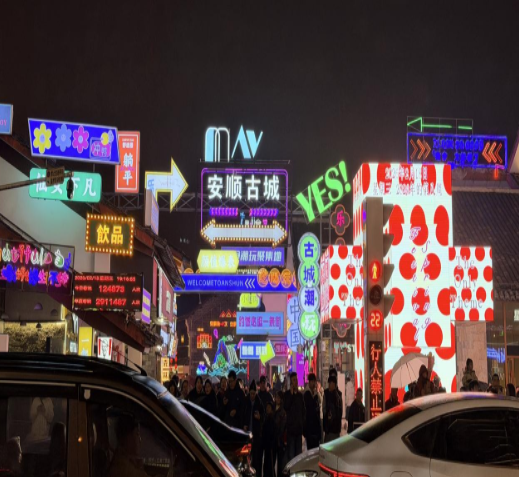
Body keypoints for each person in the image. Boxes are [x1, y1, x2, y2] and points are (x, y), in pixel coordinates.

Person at [243, 380, 264, 477]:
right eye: (251, 393)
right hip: (247, 433)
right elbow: (242, 415)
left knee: (256, 458)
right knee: (246, 457)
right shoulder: (246, 401)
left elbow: (263, 416)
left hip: (256, 434)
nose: (252, 395)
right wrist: (244, 425)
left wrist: (259, 417)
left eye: (253, 394)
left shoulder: (259, 403)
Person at [284, 372, 306, 462]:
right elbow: (286, 407)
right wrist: (291, 394)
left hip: (298, 430)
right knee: (291, 456)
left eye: (296, 380)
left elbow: (303, 410)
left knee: (299, 455)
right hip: (291, 431)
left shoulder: (300, 395)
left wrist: (302, 423)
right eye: (294, 380)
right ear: (291, 382)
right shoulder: (287, 395)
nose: (296, 382)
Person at [303, 373, 321, 449]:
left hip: (315, 427)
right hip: (309, 427)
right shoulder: (306, 394)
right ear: (309, 382)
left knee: (316, 449)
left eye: (315, 381)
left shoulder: (316, 394)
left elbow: (319, 406)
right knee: (310, 450)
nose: (314, 383)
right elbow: (307, 411)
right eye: (313, 381)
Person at [323, 375, 342, 442]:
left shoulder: (337, 395)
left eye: (330, 383)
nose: (329, 385)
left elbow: (338, 411)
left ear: (334, 384)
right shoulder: (327, 393)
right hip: (331, 427)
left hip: (333, 427)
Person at [273, 391, 287, 477]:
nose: (277, 399)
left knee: (280, 462)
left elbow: (282, 427)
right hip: (274, 439)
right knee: (272, 461)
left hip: (279, 440)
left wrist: (279, 437)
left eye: (278, 397)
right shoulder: (273, 408)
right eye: (276, 397)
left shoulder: (283, 411)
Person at [262, 401, 276, 477]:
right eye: (267, 407)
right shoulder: (266, 419)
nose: (267, 409)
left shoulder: (272, 420)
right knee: (266, 465)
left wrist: (271, 444)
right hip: (267, 446)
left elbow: (273, 433)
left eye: (269, 408)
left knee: (270, 466)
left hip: (271, 447)